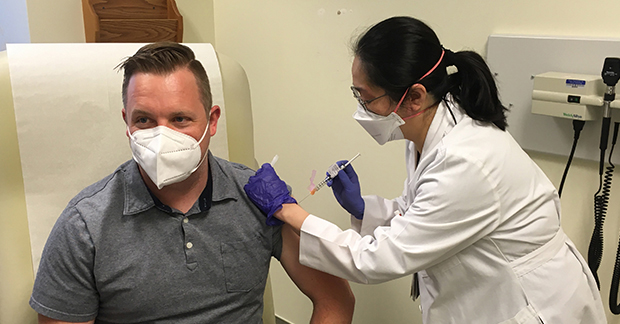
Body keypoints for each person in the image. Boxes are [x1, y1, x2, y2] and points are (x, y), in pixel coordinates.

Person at [244, 16, 606, 323]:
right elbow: (418, 212)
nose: (362, 109)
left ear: (414, 96)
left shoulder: (466, 159)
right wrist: (364, 209)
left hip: (528, 304)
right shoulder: (431, 130)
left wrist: (286, 209)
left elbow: (374, 259)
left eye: (366, 98)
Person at [30, 42, 354, 324]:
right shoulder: (84, 225)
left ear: (212, 121)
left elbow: (335, 301)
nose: (161, 136)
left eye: (179, 119)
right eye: (144, 120)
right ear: (127, 124)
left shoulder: (259, 198)